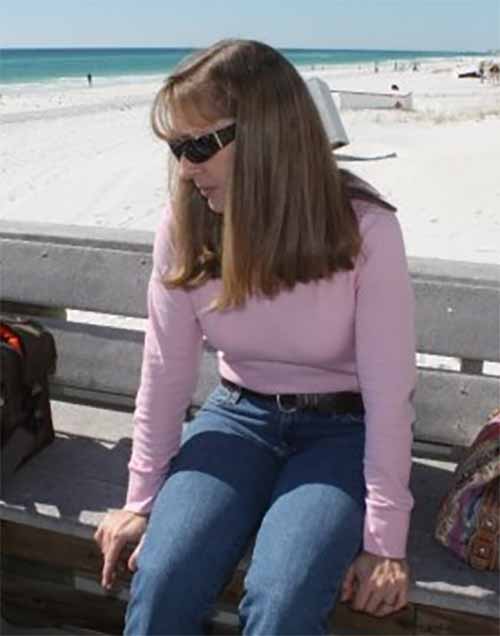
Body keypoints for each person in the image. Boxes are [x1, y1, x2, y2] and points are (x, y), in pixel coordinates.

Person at [94, 39, 416, 635]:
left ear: (267, 136)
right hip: (236, 420)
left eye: (198, 146)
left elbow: (390, 394)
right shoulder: (185, 223)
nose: (185, 168)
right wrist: (140, 502)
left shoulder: (365, 230)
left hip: (342, 434)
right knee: (162, 578)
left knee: (284, 598)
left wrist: (385, 542)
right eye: (175, 148)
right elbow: (164, 373)